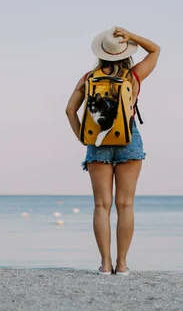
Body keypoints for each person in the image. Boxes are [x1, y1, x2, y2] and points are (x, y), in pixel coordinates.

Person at [65, 27, 160, 275]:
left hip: (97, 142)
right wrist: (131, 35)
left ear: (102, 52)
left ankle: (105, 265)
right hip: (128, 140)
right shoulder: (133, 76)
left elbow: (69, 110)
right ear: (125, 52)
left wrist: (83, 137)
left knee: (101, 206)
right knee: (125, 205)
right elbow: (155, 49)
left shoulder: (88, 78)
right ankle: (122, 265)